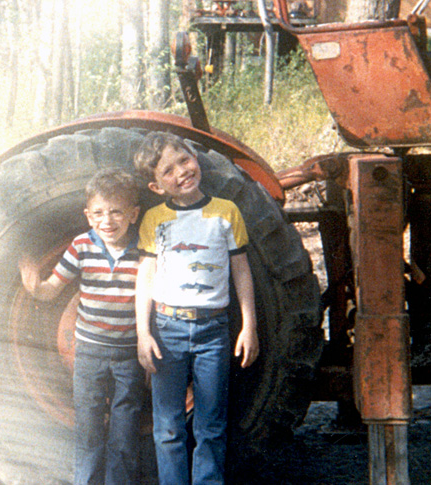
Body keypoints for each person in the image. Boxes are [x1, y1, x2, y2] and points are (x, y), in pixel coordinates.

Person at [133, 132, 259, 484]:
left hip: (213, 332)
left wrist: (249, 326)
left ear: (196, 158)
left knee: (211, 424)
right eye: (168, 171)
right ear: (157, 187)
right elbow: (145, 276)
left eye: (184, 160)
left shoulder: (225, 212)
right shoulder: (154, 219)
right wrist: (143, 334)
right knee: (168, 426)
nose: (181, 172)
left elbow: (241, 270)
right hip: (167, 329)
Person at [18, 168, 146, 485]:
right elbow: (51, 289)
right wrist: (33, 283)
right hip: (89, 354)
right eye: (99, 213)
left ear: (133, 214)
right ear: (88, 216)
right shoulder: (82, 246)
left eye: (117, 212)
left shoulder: (145, 249)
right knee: (88, 430)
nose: (108, 221)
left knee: (124, 431)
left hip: (129, 354)